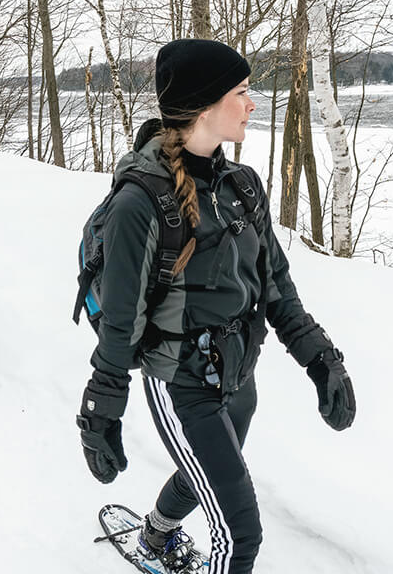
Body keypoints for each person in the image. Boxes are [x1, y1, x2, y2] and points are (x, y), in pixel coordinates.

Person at [75, 39, 356, 573]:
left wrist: (322, 359)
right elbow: (120, 318)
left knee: (203, 472)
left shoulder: (241, 185)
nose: (253, 104)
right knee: (240, 533)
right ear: (206, 105)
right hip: (179, 381)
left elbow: (276, 285)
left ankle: (155, 536)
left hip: (237, 374)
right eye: (243, 92)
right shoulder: (140, 202)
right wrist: (101, 408)